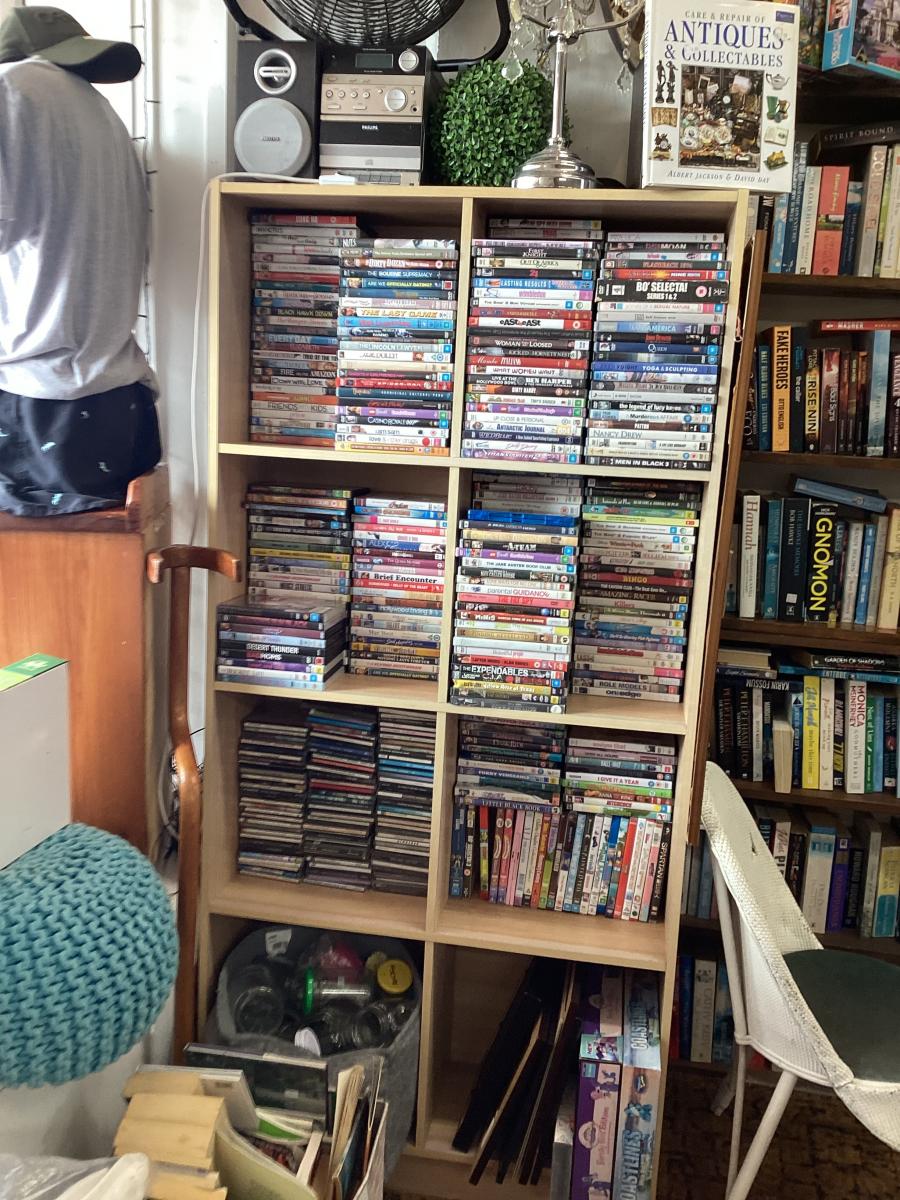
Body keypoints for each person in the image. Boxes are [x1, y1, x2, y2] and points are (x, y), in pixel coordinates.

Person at [0, 6, 161, 516]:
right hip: (114, 402)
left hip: (40, 396)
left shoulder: (12, 88)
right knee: (98, 565)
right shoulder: (102, 112)